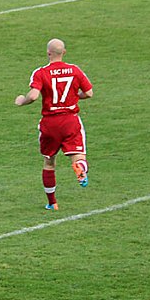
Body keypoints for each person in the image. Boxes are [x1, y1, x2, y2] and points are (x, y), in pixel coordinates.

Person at [15, 38, 93, 211]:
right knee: (79, 156)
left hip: (50, 124)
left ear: (48, 53)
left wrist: (22, 101)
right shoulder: (75, 70)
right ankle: (80, 168)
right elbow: (89, 93)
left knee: (49, 162)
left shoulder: (41, 72)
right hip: (70, 120)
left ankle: (52, 203)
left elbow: (33, 96)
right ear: (64, 52)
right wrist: (74, 96)